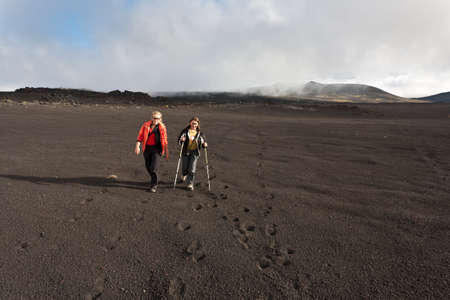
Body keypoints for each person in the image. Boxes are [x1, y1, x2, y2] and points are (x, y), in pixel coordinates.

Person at [135, 111, 168, 192]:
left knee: (153, 168)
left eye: (158, 118)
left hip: (157, 149)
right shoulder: (145, 125)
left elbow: (165, 140)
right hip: (147, 149)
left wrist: (165, 150)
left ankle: (154, 185)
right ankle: (154, 178)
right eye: (154, 118)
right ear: (151, 118)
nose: (156, 119)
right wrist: (137, 146)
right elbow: (140, 136)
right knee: (148, 167)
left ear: (160, 119)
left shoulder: (162, 128)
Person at [177, 116, 207, 191]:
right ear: (190, 123)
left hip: (195, 153)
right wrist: (182, 140)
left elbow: (204, 142)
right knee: (185, 167)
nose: (194, 125)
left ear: (198, 124)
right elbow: (179, 141)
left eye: (195, 124)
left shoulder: (200, 133)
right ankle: (184, 174)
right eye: (193, 123)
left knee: (192, 168)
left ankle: (190, 184)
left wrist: (205, 145)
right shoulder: (185, 131)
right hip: (185, 152)